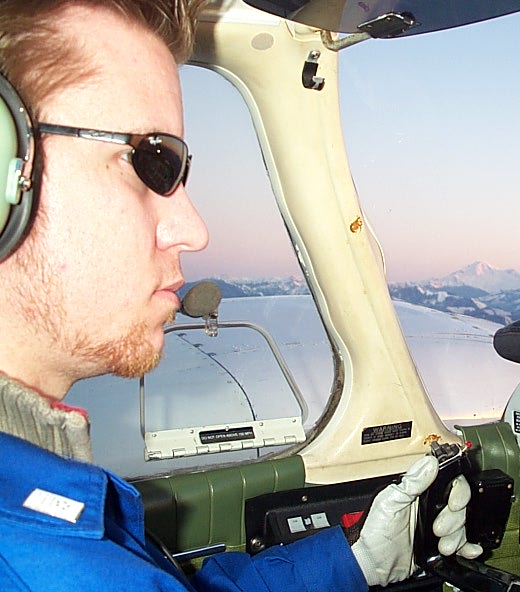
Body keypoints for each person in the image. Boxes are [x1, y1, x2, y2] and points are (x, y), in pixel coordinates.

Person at [0, 1, 480, 590]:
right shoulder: (41, 562)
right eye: (150, 162)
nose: (194, 230)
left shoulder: (41, 501)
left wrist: (355, 562)